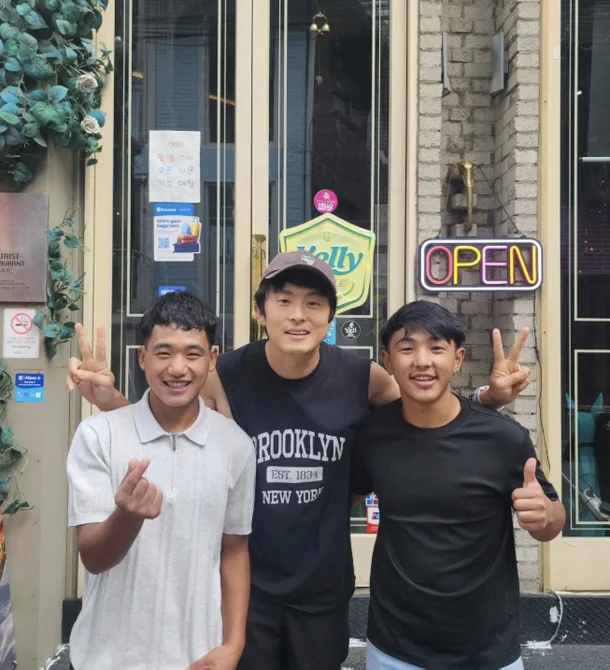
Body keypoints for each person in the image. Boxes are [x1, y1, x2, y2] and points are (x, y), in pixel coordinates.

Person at [67, 252, 530, 670]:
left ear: (330, 316)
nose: (297, 315)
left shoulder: (362, 377)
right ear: (260, 311)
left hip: (322, 586)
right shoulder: (225, 374)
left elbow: (423, 416)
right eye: (284, 300)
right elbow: (171, 431)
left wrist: (486, 400)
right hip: (246, 586)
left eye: (313, 304)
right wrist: (113, 402)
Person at [351, 300, 565, 670]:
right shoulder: (373, 435)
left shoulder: (502, 437)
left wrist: (545, 516)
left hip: (488, 650)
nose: (422, 361)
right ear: (388, 361)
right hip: (394, 648)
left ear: (458, 359)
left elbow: (553, 520)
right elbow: (342, 499)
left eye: (436, 348)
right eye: (407, 348)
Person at [66, 292, 256, 670]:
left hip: (197, 658)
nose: (177, 368)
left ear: (212, 359)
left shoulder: (235, 445)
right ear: (142, 358)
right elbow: (93, 557)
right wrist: (127, 517)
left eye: (193, 354)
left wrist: (234, 644)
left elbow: (234, 549)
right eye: (164, 353)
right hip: (106, 659)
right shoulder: (98, 435)